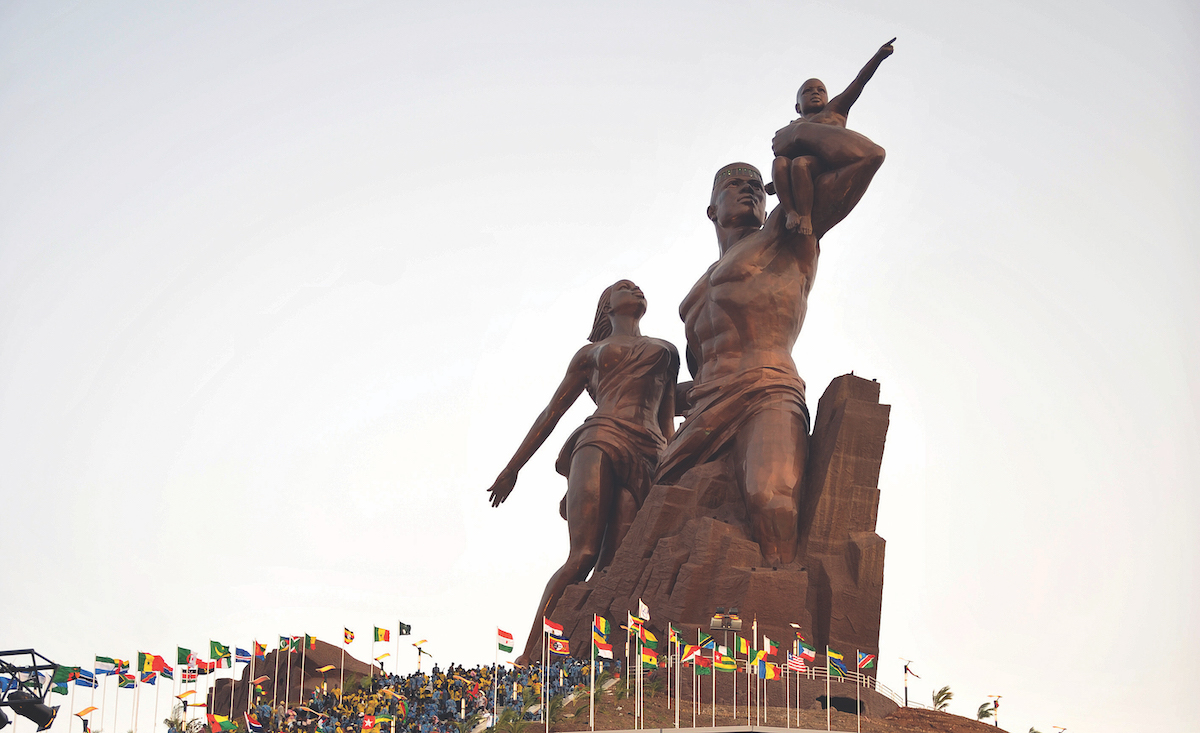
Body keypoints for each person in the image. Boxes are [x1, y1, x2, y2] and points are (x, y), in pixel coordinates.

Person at [657, 153, 883, 566]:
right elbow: (699, 374)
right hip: (704, 408)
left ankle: (784, 609)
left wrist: (804, 134)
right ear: (712, 210)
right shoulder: (695, 291)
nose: (749, 190)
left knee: (771, 501)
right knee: (653, 508)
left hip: (767, 388)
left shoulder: (788, 234)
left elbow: (866, 158)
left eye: (758, 187)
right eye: (735, 184)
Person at [485, 280, 679, 664]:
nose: (637, 290)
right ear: (607, 306)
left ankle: (597, 651)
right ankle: (530, 653)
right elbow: (551, 413)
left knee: (615, 565)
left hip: (649, 453)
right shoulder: (590, 355)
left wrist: (673, 465)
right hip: (600, 438)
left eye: (639, 287)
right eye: (626, 287)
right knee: (583, 554)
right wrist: (513, 468)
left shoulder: (667, 351)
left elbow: (668, 418)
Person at [769, 38, 894, 235]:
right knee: (781, 163)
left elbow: (859, 82)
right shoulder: (794, 126)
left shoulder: (834, 110)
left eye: (821, 90)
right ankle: (791, 212)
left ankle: (805, 217)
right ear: (797, 106)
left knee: (801, 163)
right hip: (797, 172)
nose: (815, 93)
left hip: (824, 164)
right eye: (807, 91)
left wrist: (878, 57)